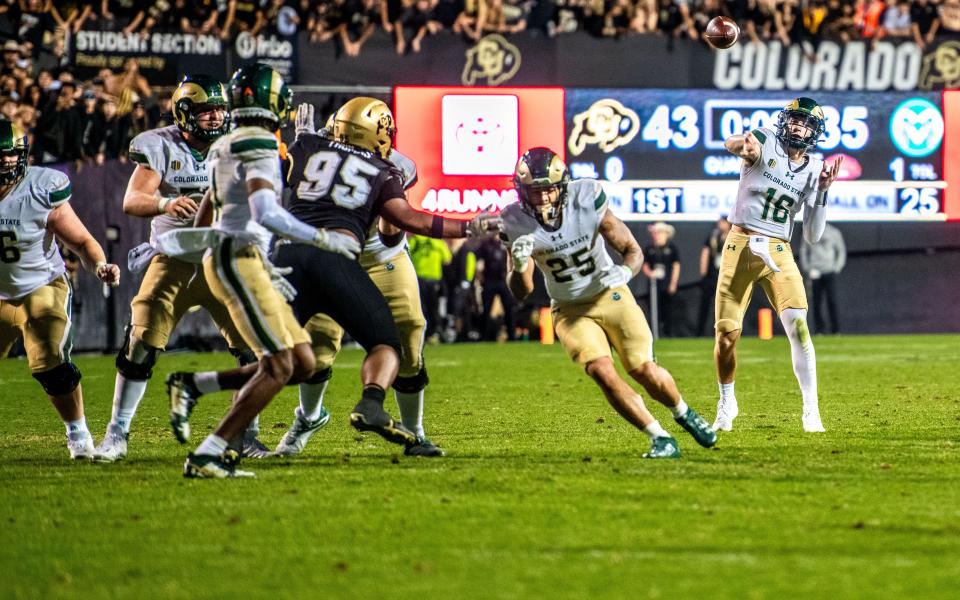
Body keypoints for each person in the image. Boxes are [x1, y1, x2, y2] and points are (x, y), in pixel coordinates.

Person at [163, 63, 361, 478]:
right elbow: (266, 212)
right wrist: (323, 239)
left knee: (304, 361)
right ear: (267, 101)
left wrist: (210, 253)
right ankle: (208, 453)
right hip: (239, 257)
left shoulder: (230, 140)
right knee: (280, 366)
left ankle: (195, 386)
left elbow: (209, 206)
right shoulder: (257, 141)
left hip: (241, 256)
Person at [272, 96, 496, 450]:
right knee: (318, 344)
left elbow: (393, 227)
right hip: (329, 253)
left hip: (379, 255)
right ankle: (308, 417)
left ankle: (414, 432)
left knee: (407, 337)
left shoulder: (387, 164)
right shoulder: (319, 147)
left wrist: (301, 147)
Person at [93, 75, 271, 464]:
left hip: (223, 259)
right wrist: (165, 205)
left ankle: (246, 435)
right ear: (185, 112)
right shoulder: (160, 144)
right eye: (206, 109)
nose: (214, 117)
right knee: (141, 343)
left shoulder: (237, 145)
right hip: (173, 257)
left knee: (256, 349)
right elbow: (133, 199)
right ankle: (117, 434)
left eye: (219, 109)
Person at [501, 147, 716, 459]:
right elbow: (520, 291)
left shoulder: (586, 196)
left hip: (610, 295)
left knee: (644, 370)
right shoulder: (514, 220)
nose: (543, 199)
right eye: (534, 192)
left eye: (548, 189)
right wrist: (520, 267)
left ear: (561, 186)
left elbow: (631, 248)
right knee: (601, 370)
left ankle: (683, 412)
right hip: (570, 309)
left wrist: (625, 271)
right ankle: (659, 436)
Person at [713, 97, 842, 434]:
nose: (798, 126)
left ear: (815, 132)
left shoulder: (815, 168)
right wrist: (738, 144)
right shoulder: (764, 139)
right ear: (785, 121)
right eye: (795, 120)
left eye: (806, 123)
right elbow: (736, 144)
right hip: (740, 245)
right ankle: (727, 402)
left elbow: (813, 235)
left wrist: (824, 191)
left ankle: (811, 411)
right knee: (727, 335)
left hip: (779, 250)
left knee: (799, 329)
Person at [0, 119, 121, 459]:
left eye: (12, 154)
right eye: (0, 155)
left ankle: (78, 434)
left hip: (40, 285)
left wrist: (99, 265)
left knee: (49, 358)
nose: (7, 161)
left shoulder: (39, 188)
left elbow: (80, 240)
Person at [800, 222, 845, 335]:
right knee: (816, 303)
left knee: (832, 301)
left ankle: (836, 330)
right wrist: (808, 268)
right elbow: (804, 250)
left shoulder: (834, 232)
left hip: (829, 270)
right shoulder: (809, 231)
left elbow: (841, 250)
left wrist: (837, 267)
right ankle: (819, 330)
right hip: (815, 272)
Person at [408, 233, 451, 342]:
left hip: (418, 278)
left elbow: (405, 256)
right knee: (434, 308)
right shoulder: (438, 241)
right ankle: (435, 333)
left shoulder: (415, 240)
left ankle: (423, 333)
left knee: (421, 308)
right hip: (433, 278)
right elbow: (447, 259)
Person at [641, 221, 680, 337]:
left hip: (667, 283)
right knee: (653, 309)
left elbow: (676, 266)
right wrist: (650, 273)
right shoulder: (649, 248)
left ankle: (668, 333)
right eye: (655, 233)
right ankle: (654, 332)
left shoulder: (672, 248)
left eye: (660, 232)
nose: (657, 235)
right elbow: (645, 264)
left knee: (668, 309)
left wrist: (673, 283)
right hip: (654, 285)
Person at [476, 234, 515, 341]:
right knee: (486, 309)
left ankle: (512, 335)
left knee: (509, 308)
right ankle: (484, 336)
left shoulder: (507, 241)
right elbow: (477, 260)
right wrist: (480, 277)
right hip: (489, 280)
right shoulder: (485, 244)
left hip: (504, 280)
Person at [697, 215, 730, 336]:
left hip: (727, 276)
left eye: (723, 222)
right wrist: (703, 272)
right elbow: (705, 253)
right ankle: (701, 331)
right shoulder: (713, 236)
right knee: (706, 303)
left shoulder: (733, 236)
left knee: (726, 304)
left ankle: (726, 330)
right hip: (712, 275)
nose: (720, 225)